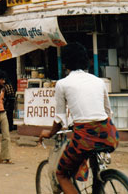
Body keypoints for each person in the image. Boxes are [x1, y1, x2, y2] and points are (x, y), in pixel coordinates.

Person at [39, 42, 119, 194]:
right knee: (91, 158)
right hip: (109, 134)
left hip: (84, 136)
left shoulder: (62, 84)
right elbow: (108, 112)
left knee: (61, 174)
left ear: (65, 63)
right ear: (86, 61)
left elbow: (60, 117)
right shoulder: (98, 81)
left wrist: (49, 133)